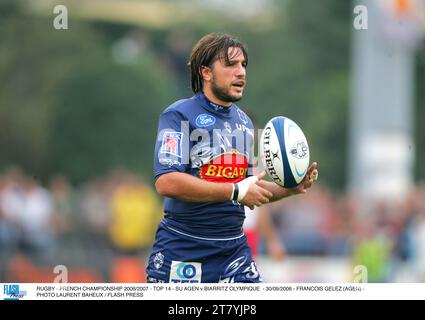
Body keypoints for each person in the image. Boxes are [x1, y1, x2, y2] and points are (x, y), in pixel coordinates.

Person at [146, 33, 318, 283]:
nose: (241, 72)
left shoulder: (244, 122)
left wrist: (290, 189)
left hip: (233, 253)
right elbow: (167, 182)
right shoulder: (178, 115)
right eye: (231, 64)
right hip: (184, 250)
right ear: (206, 72)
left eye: (244, 65)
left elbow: (249, 188)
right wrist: (235, 192)